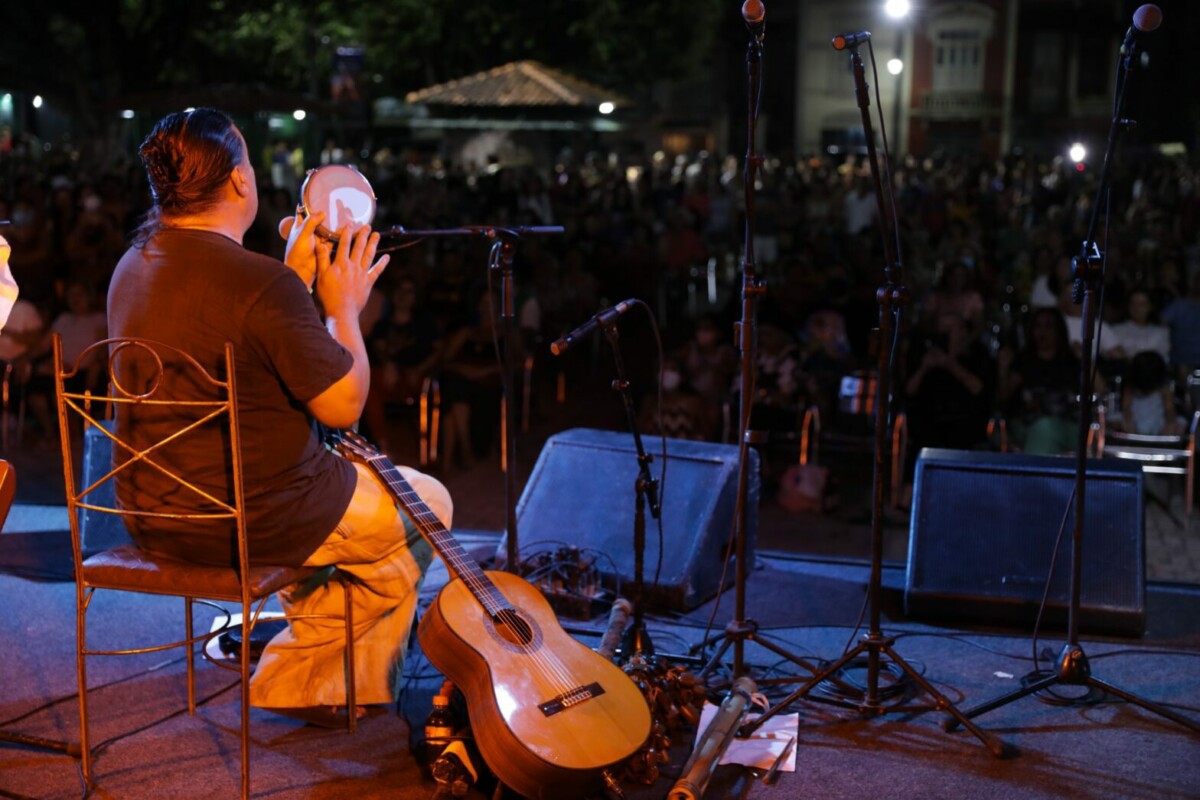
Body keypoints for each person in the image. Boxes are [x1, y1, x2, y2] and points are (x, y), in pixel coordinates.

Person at [107, 108, 452, 724]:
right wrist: (344, 309)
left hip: (150, 512)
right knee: (430, 505)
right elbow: (343, 407)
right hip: (253, 520)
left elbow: (238, 332)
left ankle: (318, 669)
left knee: (363, 518)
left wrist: (291, 279)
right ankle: (309, 680)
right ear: (240, 180)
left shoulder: (132, 265)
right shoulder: (260, 285)